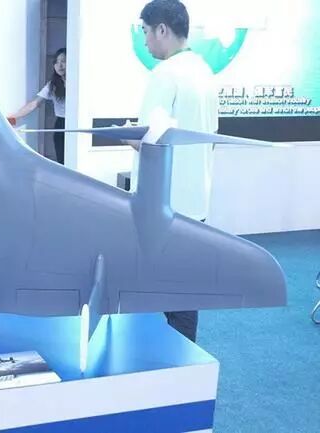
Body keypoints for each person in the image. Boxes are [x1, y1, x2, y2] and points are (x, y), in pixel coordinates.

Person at [133, 0, 218, 342]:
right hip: (195, 203)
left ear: (162, 29)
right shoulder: (204, 72)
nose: (145, 41)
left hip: (164, 206)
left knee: (160, 293)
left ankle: (167, 363)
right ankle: (183, 362)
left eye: (145, 32)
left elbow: (148, 140)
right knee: (184, 292)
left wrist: (126, 136)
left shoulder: (165, 74)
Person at [10, 48, 66, 164]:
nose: (60, 65)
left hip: (78, 122)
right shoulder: (52, 85)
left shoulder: (79, 82)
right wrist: (13, 117)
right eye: (56, 62)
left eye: (63, 61)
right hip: (61, 123)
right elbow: (34, 104)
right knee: (62, 160)